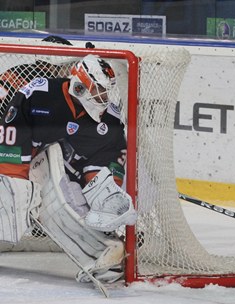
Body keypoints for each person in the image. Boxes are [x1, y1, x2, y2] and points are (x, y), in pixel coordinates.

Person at [0, 54, 137, 283]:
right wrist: (19, 184)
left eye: (105, 92)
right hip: (19, 158)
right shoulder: (39, 94)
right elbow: (12, 139)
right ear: (80, 87)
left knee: (68, 194)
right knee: (20, 193)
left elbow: (104, 158)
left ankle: (104, 250)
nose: (103, 99)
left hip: (56, 162)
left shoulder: (109, 121)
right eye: (98, 91)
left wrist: (102, 192)